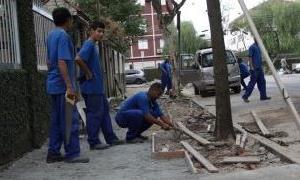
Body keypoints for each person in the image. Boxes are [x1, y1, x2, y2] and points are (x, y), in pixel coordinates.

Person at [46, 7, 89, 163]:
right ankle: (72, 154)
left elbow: (49, 61)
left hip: (53, 85)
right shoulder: (63, 37)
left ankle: (53, 153)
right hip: (64, 87)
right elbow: (62, 61)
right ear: (68, 20)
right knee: (70, 119)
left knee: (57, 121)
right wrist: (70, 86)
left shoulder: (50, 35)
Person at [75, 20, 123, 150]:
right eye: (98, 31)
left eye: (103, 31)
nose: (101, 34)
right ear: (91, 31)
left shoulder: (94, 45)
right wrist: (88, 72)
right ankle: (94, 142)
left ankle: (111, 138)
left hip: (97, 88)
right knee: (94, 114)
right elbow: (78, 59)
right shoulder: (89, 44)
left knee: (104, 112)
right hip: (91, 88)